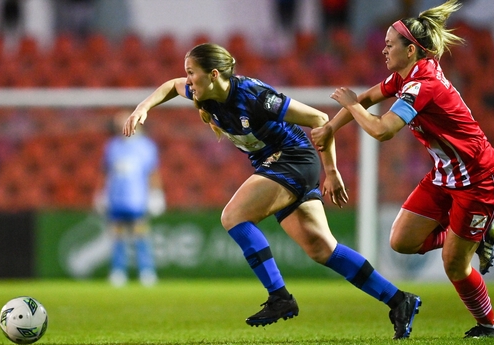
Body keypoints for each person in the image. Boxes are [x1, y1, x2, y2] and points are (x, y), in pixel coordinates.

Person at [123, 43, 421, 339]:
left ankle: (279, 296)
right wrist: (143, 108)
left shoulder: (256, 97)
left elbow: (318, 119)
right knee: (322, 249)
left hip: (294, 158)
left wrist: (331, 170)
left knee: (234, 216)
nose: (186, 80)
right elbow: (170, 87)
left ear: (213, 74)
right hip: (279, 165)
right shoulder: (205, 92)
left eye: (191, 73)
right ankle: (399, 300)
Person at [311, 0, 494, 338]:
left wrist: (349, 106)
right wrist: (331, 128)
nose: (383, 50)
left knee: (454, 264)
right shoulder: (406, 77)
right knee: (401, 241)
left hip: (478, 179)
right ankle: (477, 234)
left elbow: (382, 130)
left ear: (412, 50)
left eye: (390, 45)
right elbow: (368, 98)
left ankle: (489, 326)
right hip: (446, 175)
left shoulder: (422, 86)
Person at [96, 110, 166, 287]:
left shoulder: (146, 146)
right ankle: (118, 270)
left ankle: (146, 270)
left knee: (140, 235)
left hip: (137, 198)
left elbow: (153, 173)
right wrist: (102, 193)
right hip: (116, 197)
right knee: (117, 235)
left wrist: (156, 194)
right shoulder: (112, 146)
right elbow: (106, 172)